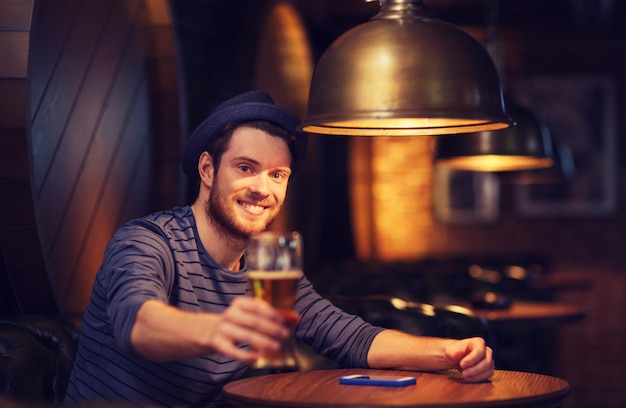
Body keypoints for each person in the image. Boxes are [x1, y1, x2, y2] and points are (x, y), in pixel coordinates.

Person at [64, 90, 494, 407]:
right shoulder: (146, 240)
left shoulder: (268, 271)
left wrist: (451, 352)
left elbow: (352, 338)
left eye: (278, 174)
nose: (262, 188)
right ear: (208, 169)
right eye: (246, 168)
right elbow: (138, 324)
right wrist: (219, 329)